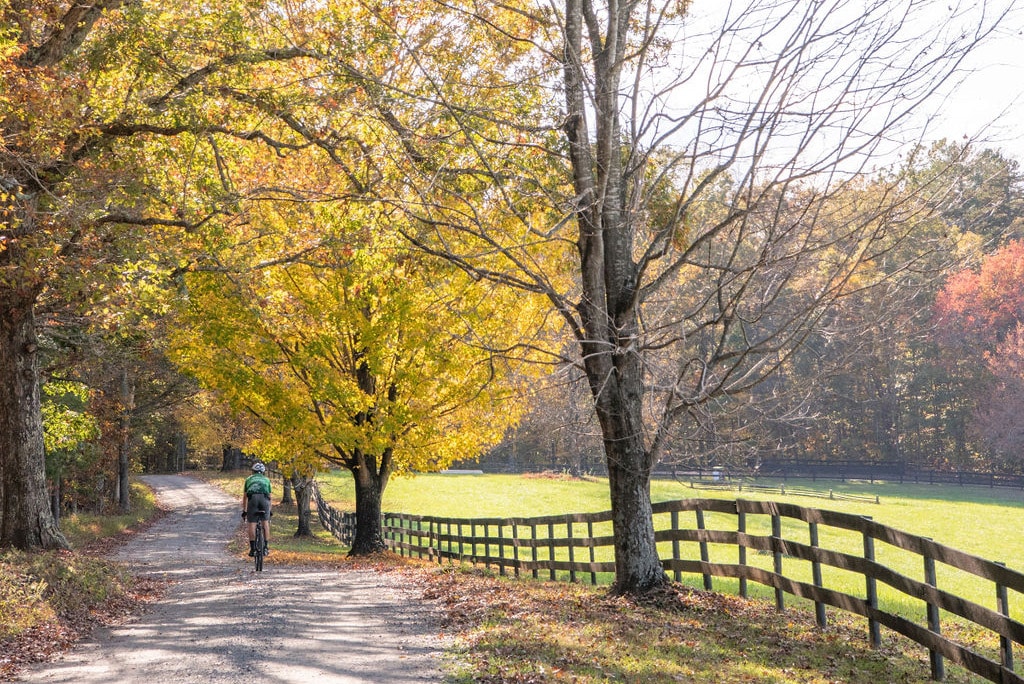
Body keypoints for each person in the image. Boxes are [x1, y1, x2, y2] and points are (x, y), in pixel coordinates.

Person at [241, 462, 272, 557]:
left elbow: (245, 497)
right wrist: (269, 511)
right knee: (265, 523)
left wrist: (245, 511)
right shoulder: (267, 480)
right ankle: (266, 548)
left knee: (252, 524)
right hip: (264, 499)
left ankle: (253, 549)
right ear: (263, 472)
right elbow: (270, 497)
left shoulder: (249, 479)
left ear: (253, 471)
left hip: (253, 499)